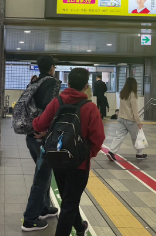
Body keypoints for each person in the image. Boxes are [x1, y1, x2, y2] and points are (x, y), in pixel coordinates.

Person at [32, 68, 105, 236]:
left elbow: (39, 124)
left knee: (68, 200)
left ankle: (80, 228)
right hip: (79, 164)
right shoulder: (90, 107)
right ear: (86, 86)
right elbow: (98, 137)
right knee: (69, 204)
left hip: (58, 159)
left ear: (69, 83)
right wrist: (87, 154)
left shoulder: (58, 101)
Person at [21, 55, 60, 232]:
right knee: (42, 176)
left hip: (31, 134)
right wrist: (48, 130)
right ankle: (29, 219)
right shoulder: (52, 82)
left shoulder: (34, 82)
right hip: (42, 135)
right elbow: (49, 107)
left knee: (43, 171)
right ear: (52, 67)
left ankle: (44, 207)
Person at [107, 78, 147, 161]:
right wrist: (139, 122)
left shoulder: (123, 93)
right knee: (136, 137)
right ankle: (139, 154)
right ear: (133, 84)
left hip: (121, 118)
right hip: (130, 120)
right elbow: (135, 111)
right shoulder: (133, 95)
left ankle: (111, 152)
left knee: (118, 136)